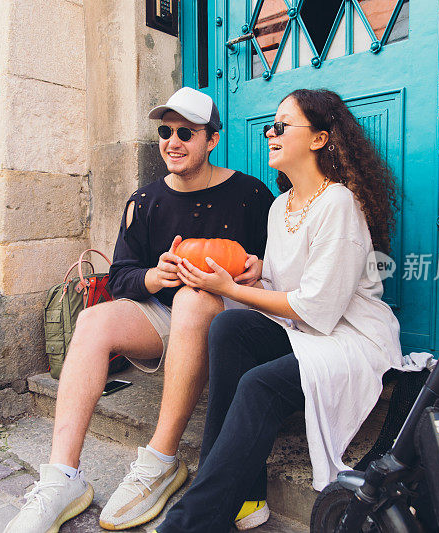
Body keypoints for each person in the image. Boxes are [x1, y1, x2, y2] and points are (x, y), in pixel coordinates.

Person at [3, 87, 274, 533]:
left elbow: (280, 265)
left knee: (195, 297)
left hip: (232, 319)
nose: (173, 141)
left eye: (186, 132)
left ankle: (160, 461)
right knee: (92, 320)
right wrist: (155, 276)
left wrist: (259, 267)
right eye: (165, 131)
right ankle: (62, 478)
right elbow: (121, 277)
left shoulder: (249, 193)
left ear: (213, 140)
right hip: (167, 318)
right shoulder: (144, 201)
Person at [155, 88, 404, 532]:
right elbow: (288, 284)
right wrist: (259, 271)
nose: (271, 132)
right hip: (304, 331)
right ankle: (245, 496)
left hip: (349, 337)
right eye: (272, 124)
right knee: (229, 327)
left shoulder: (338, 203)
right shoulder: (278, 207)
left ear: (319, 139)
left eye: (283, 125)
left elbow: (315, 306)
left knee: (259, 383)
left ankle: (192, 522)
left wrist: (229, 286)